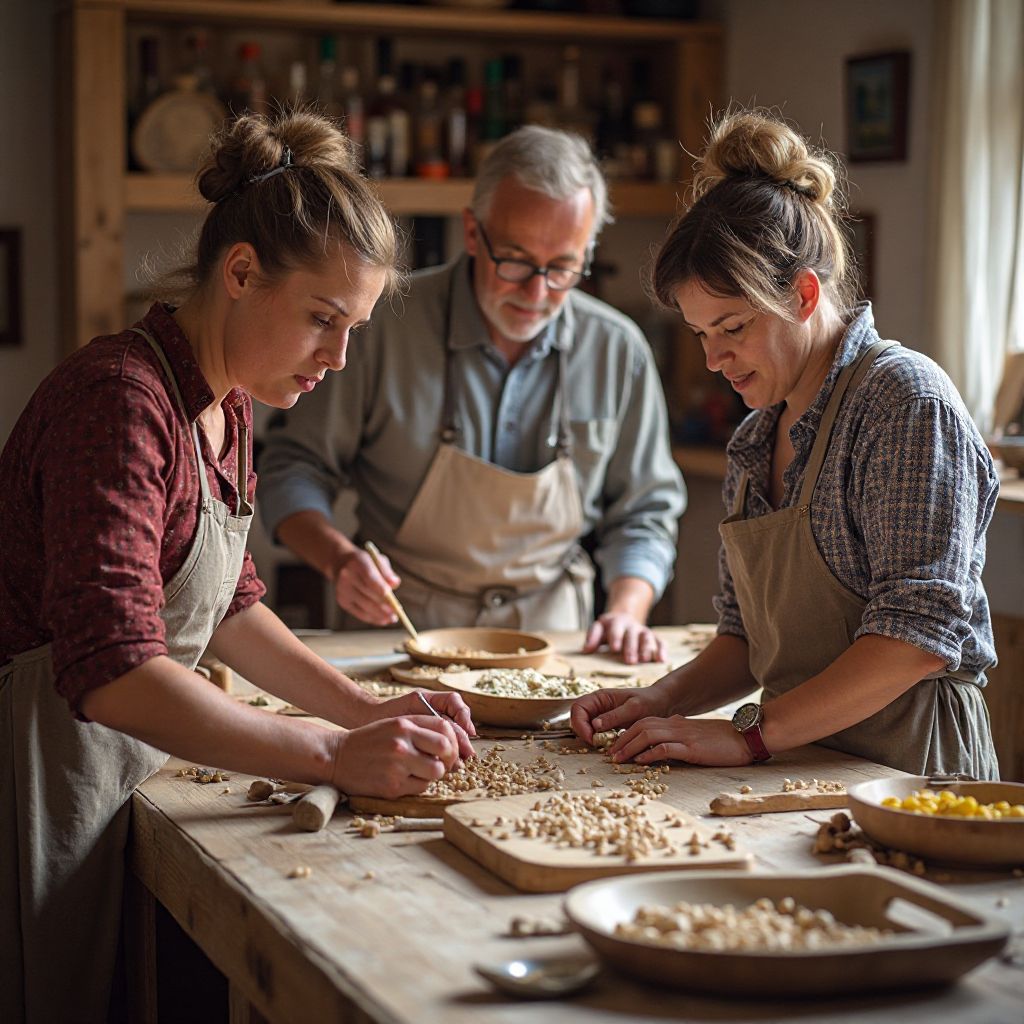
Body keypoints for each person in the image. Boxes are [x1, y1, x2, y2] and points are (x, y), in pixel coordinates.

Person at [0, 110, 476, 1024]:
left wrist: (368, 708)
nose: (339, 358)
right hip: (36, 770)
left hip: (115, 769)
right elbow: (111, 670)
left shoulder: (223, 405)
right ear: (243, 273)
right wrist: (333, 752)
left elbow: (227, 605)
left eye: (356, 329)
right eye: (322, 320)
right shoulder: (121, 401)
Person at [571, 108, 999, 779]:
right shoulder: (754, 439)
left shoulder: (904, 405)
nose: (715, 360)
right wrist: (657, 702)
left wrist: (747, 738)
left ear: (803, 294)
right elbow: (745, 642)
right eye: (702, 335)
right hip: (795, 763)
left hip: (911, 771)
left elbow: (917, 638)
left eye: (733, 328)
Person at [258, 125, 686, 664]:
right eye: (514, 259)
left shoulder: (617, 350)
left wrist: (626, 610)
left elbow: (645, 509)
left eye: (561, 269)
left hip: (555, 640)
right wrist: (340, 561)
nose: (536, 293)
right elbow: (292, 467)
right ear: (471, 231)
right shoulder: (379, 327)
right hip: (398, 631)